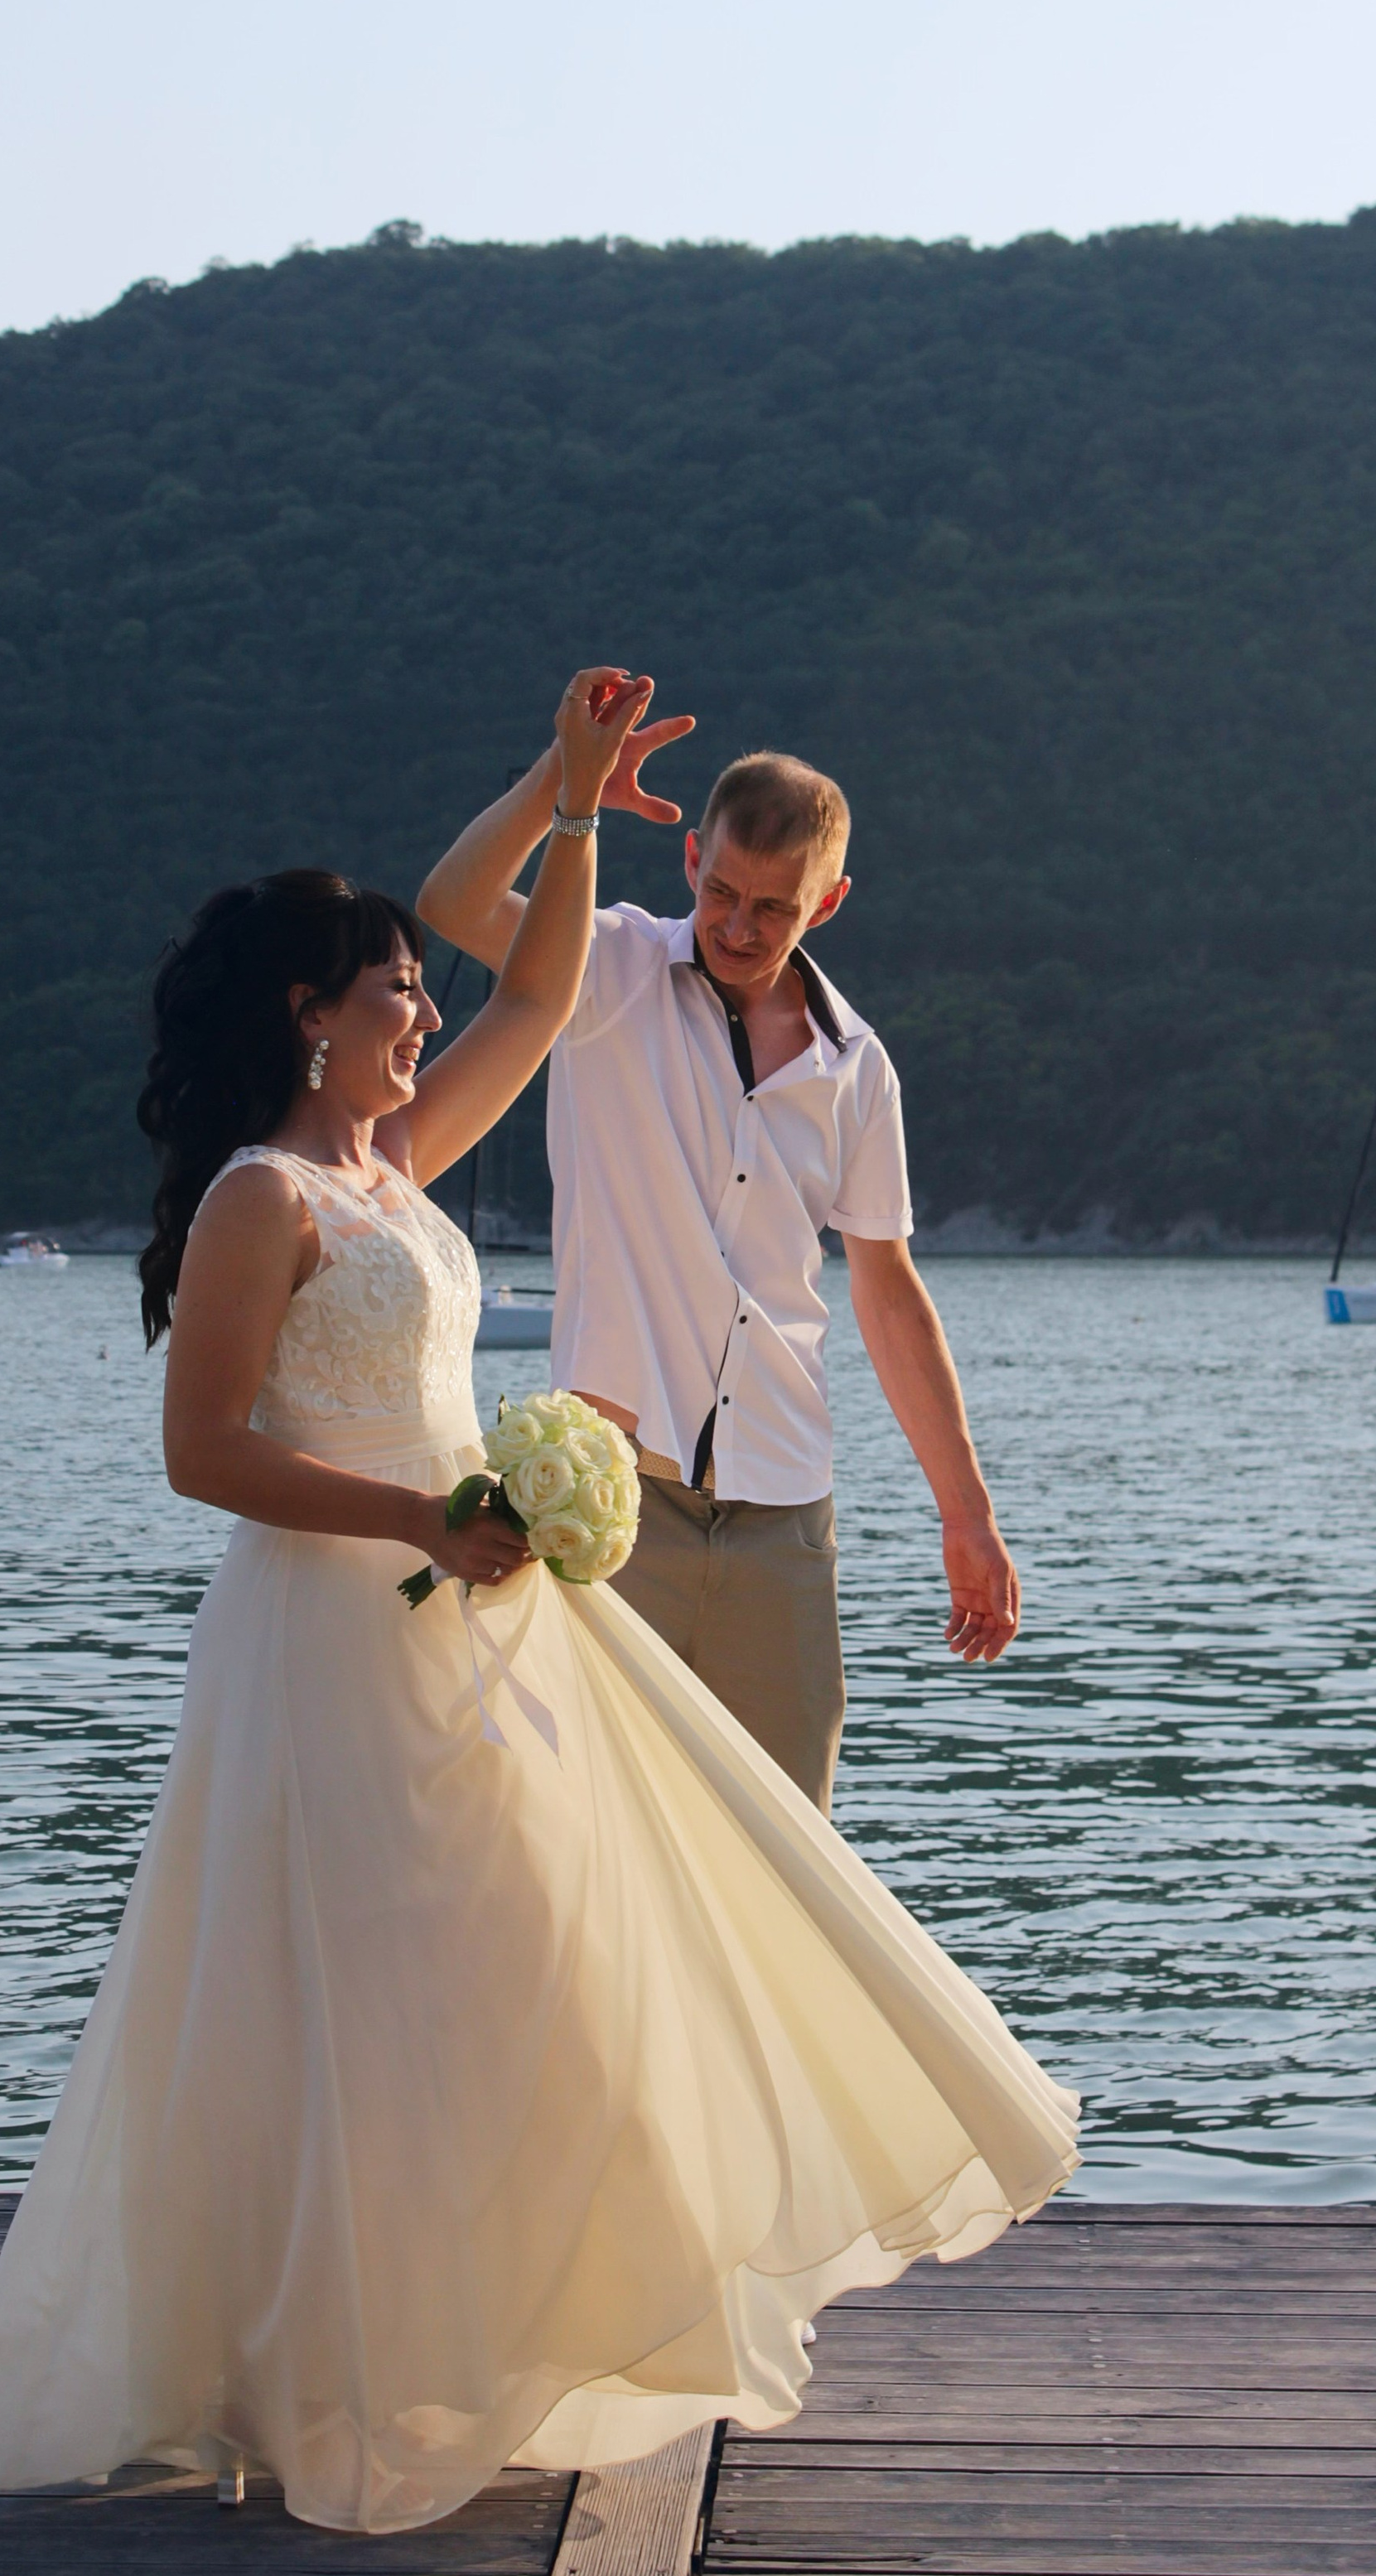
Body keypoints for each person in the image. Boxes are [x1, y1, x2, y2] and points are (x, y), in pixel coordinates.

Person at [0, 670, 1075, 2539]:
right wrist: (427, 1520)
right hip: (338, 1626)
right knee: (347, 2001)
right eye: (389, 995)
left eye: (410, 997)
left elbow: (526, 989)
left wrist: (583, 789)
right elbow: (199, 1455)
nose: (421, 1008)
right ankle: (311, 2368)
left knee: (502, 1980)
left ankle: (510, 2328)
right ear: (311, 1015)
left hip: (483, 1610)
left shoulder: (396, 1166)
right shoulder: (258, 1200)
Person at [418, 704, 1017, 1814]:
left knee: (790, 1857)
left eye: (774, 909)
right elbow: (451, 903)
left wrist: (965, 1512)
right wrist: (570, 773)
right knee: (586, 1843)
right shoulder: (604, 968)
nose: (737, 926)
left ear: (827, 904)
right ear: (692, 858)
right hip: (611, 1505)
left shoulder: (858, 1069)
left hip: (786, 1516)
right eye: (721, 893)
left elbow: (888, 1292)